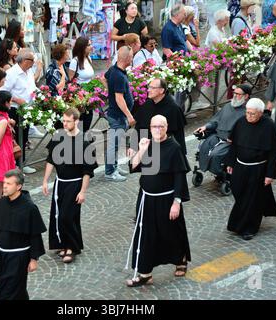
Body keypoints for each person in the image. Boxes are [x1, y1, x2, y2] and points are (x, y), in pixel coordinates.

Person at [125, 115, 191, 287]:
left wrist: (177, 202)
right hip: (146, 198)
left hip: (167, 199)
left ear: (167, 127)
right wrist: (141, 149)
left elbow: (179, 177)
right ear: (150, 127)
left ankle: (181, 259)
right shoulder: (147, 144)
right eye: (155, 126)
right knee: (146, 234)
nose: (158, 129)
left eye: (161, 126)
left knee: (171, 232)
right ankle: (145, 273)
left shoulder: (174, 147)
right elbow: (133, 166)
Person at [42, 108, 98, 263]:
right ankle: (63, 244)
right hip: (60, 183)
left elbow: (87, 170)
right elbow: (50, 160)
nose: (64, 124)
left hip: (75, 184)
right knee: (58, 215)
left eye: (68, 121)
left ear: (77, 121)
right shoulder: (58, 137)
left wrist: (83, 191)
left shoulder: (85, 142)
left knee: (68, 216)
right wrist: (45, 181)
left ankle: (72, 247)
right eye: (63, 121)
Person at [0, 169, 46, 300]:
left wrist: (34, 259)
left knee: (10, 290)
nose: (4, 186)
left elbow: (35, 235)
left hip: (20, 256)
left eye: (9, 183)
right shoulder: (1, 203)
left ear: (19, 186)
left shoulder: (29, 207)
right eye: (4, 182)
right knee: (9, 287)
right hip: (4, 255)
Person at [225, 98, 276, 240]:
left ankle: (249, 228)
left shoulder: (269, 126)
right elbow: (234, 145)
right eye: (247, 113)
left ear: (261, 113)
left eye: (253, 114)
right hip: (239, 166)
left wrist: (270, 174)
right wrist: (230, 163)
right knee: (239, 194)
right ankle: (238, 223)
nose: (249, 116)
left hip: (258, 169)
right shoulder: (241, 122)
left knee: (252, 199)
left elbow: (274, 152)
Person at [1, 48, 43, 174]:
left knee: (24, 137)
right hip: (15, 110)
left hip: (27, 109)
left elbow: (32, 86)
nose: (34, 63)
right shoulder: (12, 73)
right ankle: (15, 165)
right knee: (17, 138)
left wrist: (41, 94)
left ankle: (22, 162)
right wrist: (15, 99)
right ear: (25, 61)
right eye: (32, 60)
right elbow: (3, 91)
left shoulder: (28, 71)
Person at [194, 84, 251, 174]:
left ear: (246, 96)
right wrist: (206, 126)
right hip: (217, 136)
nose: (235, 96)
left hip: (231, 142)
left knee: (215, 155)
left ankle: (219, 173)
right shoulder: (227, 106)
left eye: (238, 94)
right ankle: (204, 168)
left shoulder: (248, 112)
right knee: (203, 148)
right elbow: (216, 121)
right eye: (234, 93)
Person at [104, 46, 135, 182]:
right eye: (132, 56)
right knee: (114, 144)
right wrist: (129, 115)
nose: (133, 58)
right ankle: (110, 172)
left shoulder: (113, 70)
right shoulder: (118, 75)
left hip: (116, 114)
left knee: (115, 143)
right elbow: (119, 98)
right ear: (127, 58)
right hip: (117, 115)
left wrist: (108, 91)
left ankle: (114, 167)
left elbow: (103, 78)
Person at [134, 78, 187, 155]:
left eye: (152, 88)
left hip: (163, 152)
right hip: (144, 148)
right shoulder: (148, 104)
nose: (148, 90)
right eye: (149, 87)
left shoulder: (173, 108)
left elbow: (178, 136)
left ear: (161, 90)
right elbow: (138, 127)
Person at [69, 36, 95, 132]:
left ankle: (83, 139)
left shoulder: (89, 59)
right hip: (79, 97)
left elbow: (90, 77)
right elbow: (71, 82)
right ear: (82, 47)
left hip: (89, 94)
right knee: (81, 119)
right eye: (89, 45)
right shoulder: (74, 62)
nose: (91, 47)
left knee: (89, 118)